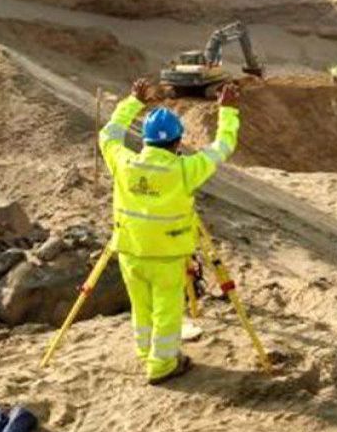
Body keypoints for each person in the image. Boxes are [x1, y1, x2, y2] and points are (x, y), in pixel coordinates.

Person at [98, 79, 240, 384]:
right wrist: (227, 111)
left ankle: (145, 352)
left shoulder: (124, 162)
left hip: (129, 252)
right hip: (167, 256)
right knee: (166, 311)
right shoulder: (185, 170)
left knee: (142, 307)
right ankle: (162, 365)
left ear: (145, 140)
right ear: (177, 143)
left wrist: (133, 102)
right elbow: (223, 147)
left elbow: (108, 134)